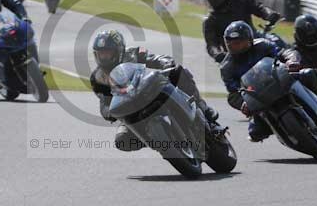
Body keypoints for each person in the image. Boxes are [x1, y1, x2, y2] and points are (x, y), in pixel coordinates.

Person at [90, 30, 220, 152]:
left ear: (118, 51)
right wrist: (109, 113)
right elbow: (104, 103)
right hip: (130, 110)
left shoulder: (134, 53)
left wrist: (165, 63)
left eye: (107, 53)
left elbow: (155, 59)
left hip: (149, 90)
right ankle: (158, 141)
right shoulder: (97, 78)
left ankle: (204, 110)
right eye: (101, 53)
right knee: (122, 140)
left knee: (179, 72)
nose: (104, 57)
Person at [220, 21, 302, 142]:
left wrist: (291, 60)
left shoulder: (263, 45)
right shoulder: (226, 67)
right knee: (255, 133)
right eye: (231, 44)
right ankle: (281, 130)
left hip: (280, 80)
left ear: (250, 39)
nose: (236, 47)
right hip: (258, 97)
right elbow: (233, 91)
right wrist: (243, 102)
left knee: (309, 74)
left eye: (239, 43)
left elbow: (282, 52)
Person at [202, 0, 281, 63]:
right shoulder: (210, 21)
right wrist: (218, 54)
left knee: (277, 42)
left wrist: (269, 14)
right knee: (228, 73)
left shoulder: (241, 0)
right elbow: (211, 45)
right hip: (235, 54)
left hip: (255, 40)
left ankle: (291, 68)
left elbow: (259, 8)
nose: (213, 0)